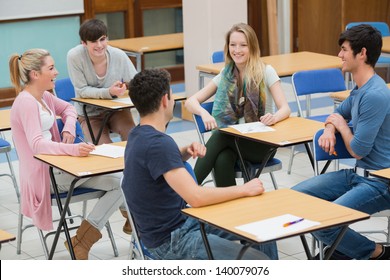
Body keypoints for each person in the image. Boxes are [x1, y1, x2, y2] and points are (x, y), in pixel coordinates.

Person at [122, 68, 278, 260]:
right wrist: (244, 189)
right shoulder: (158, 144)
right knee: (258, 260)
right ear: (165, 100)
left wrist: (184, 152)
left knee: (262, 221)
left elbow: (156, 163)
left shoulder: (137, 135)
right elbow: (196, 197)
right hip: (173, 240)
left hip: (180, 225)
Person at [9, 48, 127, 260]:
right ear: (35, 74)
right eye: (51, 68)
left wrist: (68, 129)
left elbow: (70, 110)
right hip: (45, 175)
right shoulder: (26, 102)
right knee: (121, 182)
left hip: (60, 166)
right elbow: (37, 145)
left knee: (122, 180)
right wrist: (72, 150)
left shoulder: (43, 96)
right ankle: (125, 220)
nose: (56, 72)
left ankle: (81, 240)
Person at [292, 24, 390, 260]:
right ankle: (343, 252)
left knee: (324, 224)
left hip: (380, 183)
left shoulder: (375, 94)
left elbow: (357, 150)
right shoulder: (359, 89)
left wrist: (342, 126)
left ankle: (377, 253)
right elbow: (336, 115)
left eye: (344, 49)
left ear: (362, 53)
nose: (339, 55)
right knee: (293, 200)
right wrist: (329, 128)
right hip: (357, 176)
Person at [185, 23, 290, 187]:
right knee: (222, 159)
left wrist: (274, 117)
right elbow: (191, 102)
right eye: (233, 45)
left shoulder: (266, 71)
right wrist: (204, 113)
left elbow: (285, 108)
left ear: (252, 47)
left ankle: (186, 191)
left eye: (243, 45)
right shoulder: (226, 74)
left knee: (222, 134)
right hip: (235, 142)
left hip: (262, 144)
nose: (237, 50)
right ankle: (230, 208)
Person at [67, 18, 137, 145]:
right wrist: (109, 92)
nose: (99, 45)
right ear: (84, 43)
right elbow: (82, 90)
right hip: (89, 115)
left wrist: (125, 86)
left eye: (102, 39)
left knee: (134, 139)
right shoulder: (74, 56)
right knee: (104, 149)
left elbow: (136, 82)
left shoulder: (118, 55)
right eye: (93, 41)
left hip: (116, 111)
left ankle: (132, 165)